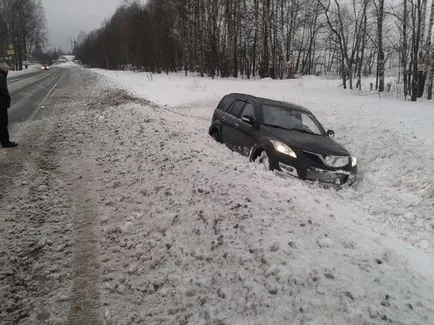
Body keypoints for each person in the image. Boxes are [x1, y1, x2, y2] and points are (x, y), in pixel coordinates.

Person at [0, 62, 17, 148]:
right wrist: (7, 98)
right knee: (3, 123)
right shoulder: (1, 77)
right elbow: (3, 90)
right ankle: (5, 142)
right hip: (1, 105)